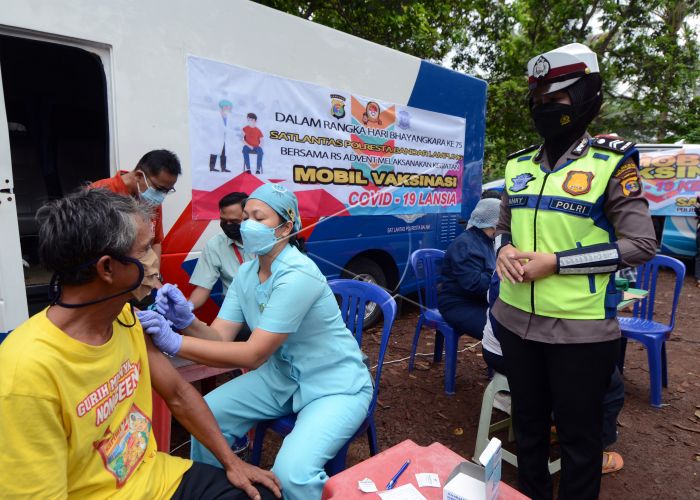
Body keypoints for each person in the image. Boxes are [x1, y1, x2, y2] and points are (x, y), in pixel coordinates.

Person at [0, 189, 280, 500]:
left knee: (261, 494)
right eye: (146, 249)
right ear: (107, 268)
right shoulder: (24, 370)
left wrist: (232, 462)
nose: (155, 260)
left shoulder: (124, 317)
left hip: (159, 478)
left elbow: (178, 394)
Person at [492, 43, 656, 500]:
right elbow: (503, 228)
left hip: (580, 334)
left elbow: (641, 244)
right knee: (527, 431)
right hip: (513, 322)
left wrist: (557, 264)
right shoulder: (519, 164)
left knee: (580, 443)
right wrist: (503, 251)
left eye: (557, 99)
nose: (545, 109)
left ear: (585, 97)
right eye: (539, 101)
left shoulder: (611, 164)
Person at [137, 183, 373, 500]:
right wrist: (186, 322)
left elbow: (252, 354)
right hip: (282, 378)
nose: (245, 224)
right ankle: (221, 493)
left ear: (285, 227)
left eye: (258, 218)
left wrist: (173, 342)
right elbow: (220, 337)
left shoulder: (298, 275)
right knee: (209, 418)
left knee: (293, 476)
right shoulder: (248, 273)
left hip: (333, 383)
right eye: (245, 216)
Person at [482, 273, 625, 475]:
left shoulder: (514, 260)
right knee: (611, 385)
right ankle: (594, 454)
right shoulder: (522, 271)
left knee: (589, 374)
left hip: (509, 346)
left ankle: (561, 429)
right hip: (509, 351)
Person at [90, 149, 181, 264]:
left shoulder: (152, 201)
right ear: (139, 175)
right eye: (159, 189)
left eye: (167, 191)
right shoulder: (97, 193)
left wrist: (155, 274)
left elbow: (156, 242)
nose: (161, 196)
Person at [438, 198, 500, 340]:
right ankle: (498, 361)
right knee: (500, 332)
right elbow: (474, 284)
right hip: (458, 305)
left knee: (514, 323)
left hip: (477, 300)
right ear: (494, 223)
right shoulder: (465, 245)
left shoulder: (487, 241)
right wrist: (499, 276)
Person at [190, 192, 252, 310]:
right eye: (223, 221)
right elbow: (203, 289)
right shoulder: (215, 245)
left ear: (248, 218)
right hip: (235, 310)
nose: (228, 225)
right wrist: (186, 309)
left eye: (234, 222)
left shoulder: (266, 241)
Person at [210, 99, 233, 173]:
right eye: (226, 107)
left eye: (229, 107)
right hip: (217, 136)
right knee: (215, 151)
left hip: (225, 137)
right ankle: (212, 167)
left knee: (224, 152)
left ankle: (223, 168)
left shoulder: (228, 116)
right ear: (223, 107)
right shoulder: (216, 115)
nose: (228, 108)